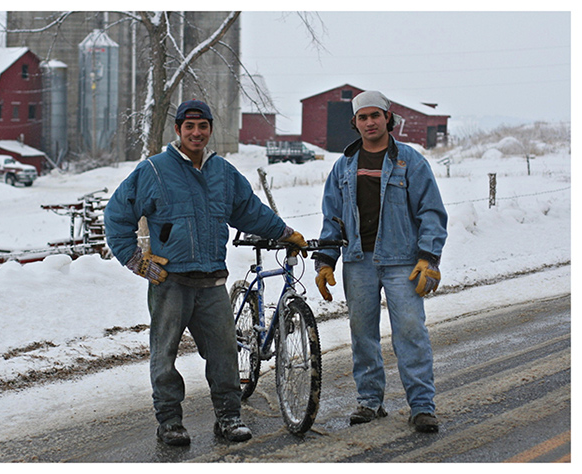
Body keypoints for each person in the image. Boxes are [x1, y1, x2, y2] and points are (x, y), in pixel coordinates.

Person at [104, 99, 308, 446]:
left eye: (203, 127)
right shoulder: (154, 170)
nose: (196, 133)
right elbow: (117, 214)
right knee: (164, 355)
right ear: (178, 130)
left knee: (224, 353)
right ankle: (169, 422)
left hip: (213, 281)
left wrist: (284, 232)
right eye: (189, 127)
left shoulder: (223, 173)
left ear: (210, 129)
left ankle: (228, 418)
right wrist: (135, 259)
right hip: (170, 283)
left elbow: (249, 211)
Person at [312, 91, 447, 433]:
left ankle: (421, 406)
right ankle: (370, 401)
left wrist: (429, 257)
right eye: (363, 117)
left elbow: (431, 212)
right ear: (354, 123)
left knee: (411, 331)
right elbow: (333, 218)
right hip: (358, 260)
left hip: (403, 261)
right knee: (362, 333)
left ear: (388, 118)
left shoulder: (410, 162)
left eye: (376, 115)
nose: (370, 122)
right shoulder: (344, 166)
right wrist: (326, 259)